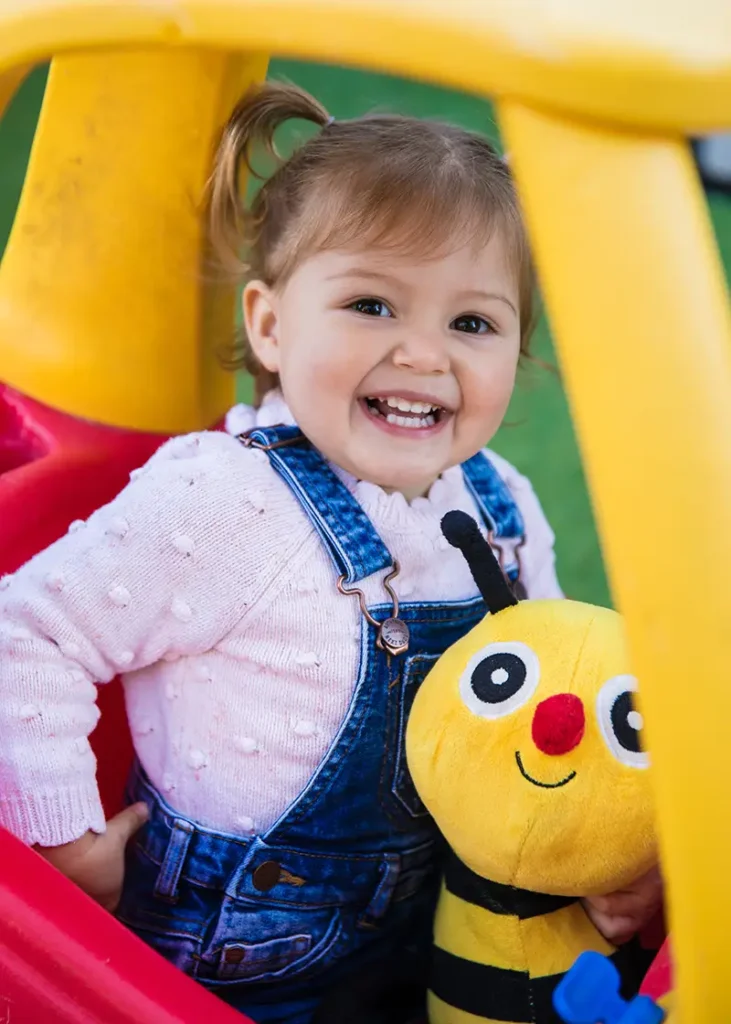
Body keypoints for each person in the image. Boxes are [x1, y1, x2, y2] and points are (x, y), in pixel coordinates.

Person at [0, 82, 660, 1024]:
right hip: (219, 977)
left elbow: (553, 711)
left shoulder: (501, 502)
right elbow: (28, 633)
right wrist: (61, 840)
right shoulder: (224, 499)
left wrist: (611, 859)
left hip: (437, 937)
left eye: (471, 323)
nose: (425, 355)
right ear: (270, 325)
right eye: (371, 305)